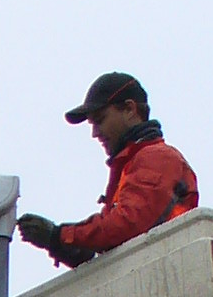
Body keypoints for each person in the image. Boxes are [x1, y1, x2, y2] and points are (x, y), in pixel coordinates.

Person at [17, 72, 198, 269]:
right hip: (156, 272)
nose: (94, 133)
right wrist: (67, 246)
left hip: (165, 270)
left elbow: (128, 224)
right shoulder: (132, 164)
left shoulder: (156, 157)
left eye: (100, 120)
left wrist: (60, 235)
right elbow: (117, 237)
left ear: (130, 109)